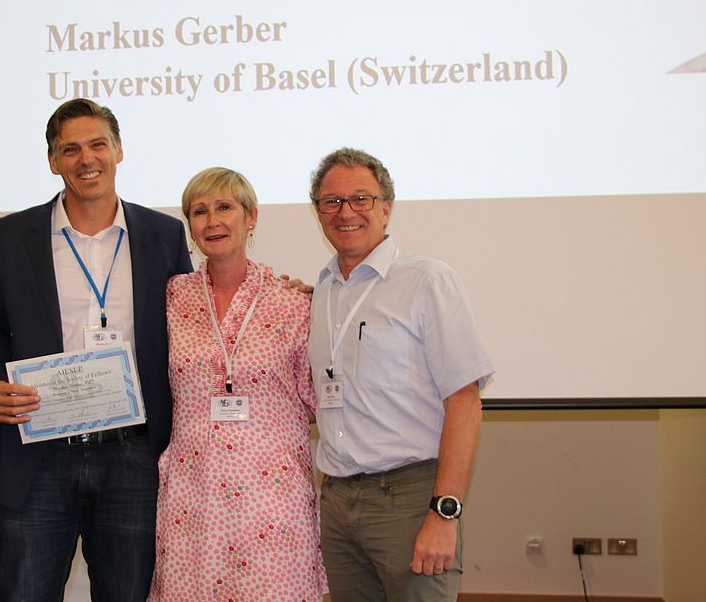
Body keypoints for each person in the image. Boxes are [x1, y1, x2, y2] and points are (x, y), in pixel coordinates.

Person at [0, 98, 192, 601]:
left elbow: (189, 324)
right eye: (70, 149)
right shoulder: (7, 237)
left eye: (97, 145)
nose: (86, 159)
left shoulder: (163, 235)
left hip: (133, 458)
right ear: (53, 161)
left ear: (119, 150)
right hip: (38, 454)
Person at [306, 148, 494, 601]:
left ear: (386, 207)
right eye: (332, 201)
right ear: (318, 212)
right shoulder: (323, 291)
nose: (346, 212)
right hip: (337, 501)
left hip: (408, 499)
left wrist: (444, 513)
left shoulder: (428, 280)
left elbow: (464, 401)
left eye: (361, 198)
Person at [148, 168, 327, 601]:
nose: (212, 221)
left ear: (251, 217)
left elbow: (318, 400)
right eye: (199, 211)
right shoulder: (170, 299)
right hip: (194, 499)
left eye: (225, 207)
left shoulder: (293, 303)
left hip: (272, 500)